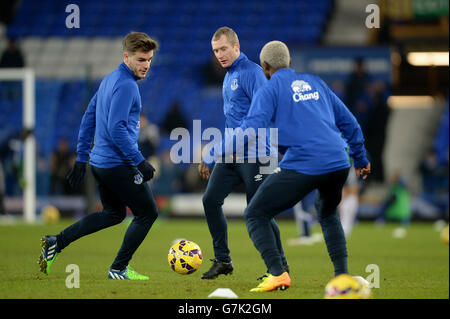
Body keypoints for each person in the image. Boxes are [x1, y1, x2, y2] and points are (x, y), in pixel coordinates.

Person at [212, 40, 370, 292]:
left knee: (255, 213)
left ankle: (277, 273)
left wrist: (215, 152)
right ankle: (342, 276)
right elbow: (350, 123)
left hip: (306, 162)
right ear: (290, 62)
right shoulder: (317, 82)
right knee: (327, 213)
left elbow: (251, 129)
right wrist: (361, 159)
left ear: (264, 66)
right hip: (339, 161)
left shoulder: (270, 89)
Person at [39, 32, 159, 280]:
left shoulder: (109, 80)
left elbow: (88, 117)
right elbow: (116, 129)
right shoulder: (127, 86)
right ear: (126, 57)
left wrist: (82, 158)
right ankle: (118, 268)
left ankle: (57, 242)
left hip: (100, 164)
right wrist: (139, 161)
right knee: (148, 213)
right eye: (141, 59)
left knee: (113, 214)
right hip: (118, 165)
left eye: (149, 59)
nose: (146, 65)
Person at [198, 27, 289, 280]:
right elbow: (234, 124)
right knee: (210, 200)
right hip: (233, 155)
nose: (219, 55)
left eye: (224, 49)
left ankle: (280, 267)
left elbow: (258, 121)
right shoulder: (229, 76)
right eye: (215, 51)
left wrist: (214, 152)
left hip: (257, 155)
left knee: (260, 211)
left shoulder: (252, 73)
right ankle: (223, 260)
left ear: (236, 47)